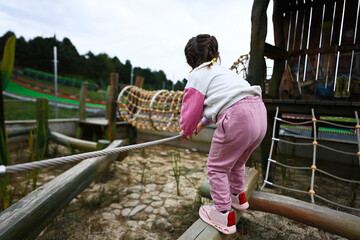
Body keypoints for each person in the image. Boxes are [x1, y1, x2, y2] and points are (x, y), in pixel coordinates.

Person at [179, 34, 267, 235]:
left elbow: (191, 108)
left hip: (237, 117)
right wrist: (203, 123)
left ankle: (222, 212)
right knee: (237, 161)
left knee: (216, 168)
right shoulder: (222, 72)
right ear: (215, 54)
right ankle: (238, 196)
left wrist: (186, 129)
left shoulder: (197, 74)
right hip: (259, 114)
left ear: (189, 60)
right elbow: (225, 98)